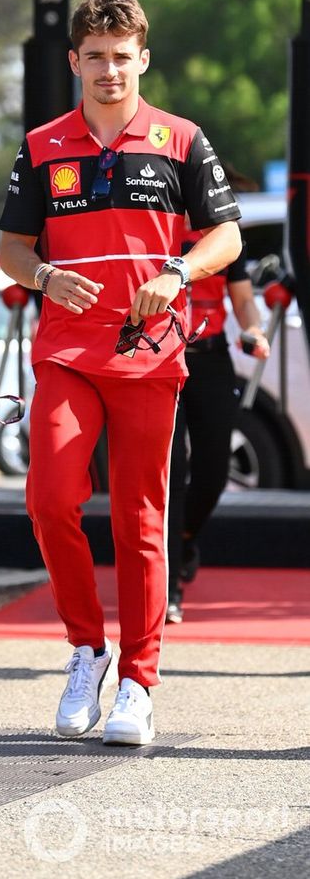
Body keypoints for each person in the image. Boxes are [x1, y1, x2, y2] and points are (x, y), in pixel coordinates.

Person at [0, 0, 242, 746]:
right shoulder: (41, 146)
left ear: (144, 59)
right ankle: (85, 648)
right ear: (74, 60)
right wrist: (41, 276)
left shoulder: (181, 140)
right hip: (67, 350)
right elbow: (12, 247)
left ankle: (138, 681)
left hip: (151, 354)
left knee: (142, 520)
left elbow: (227, 238)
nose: (110, 71)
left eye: (122, 57)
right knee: (49, 499)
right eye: (95, 57)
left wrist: (176, 272)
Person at [166, 219, 270, 623]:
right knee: (170, 477)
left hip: (211, 358)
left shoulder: (224, 237)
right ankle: (169, 587)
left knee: (213, 473)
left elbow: (243, 300)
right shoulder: (153, 224)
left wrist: (253, 330)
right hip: (160, 357)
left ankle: (186, 538)